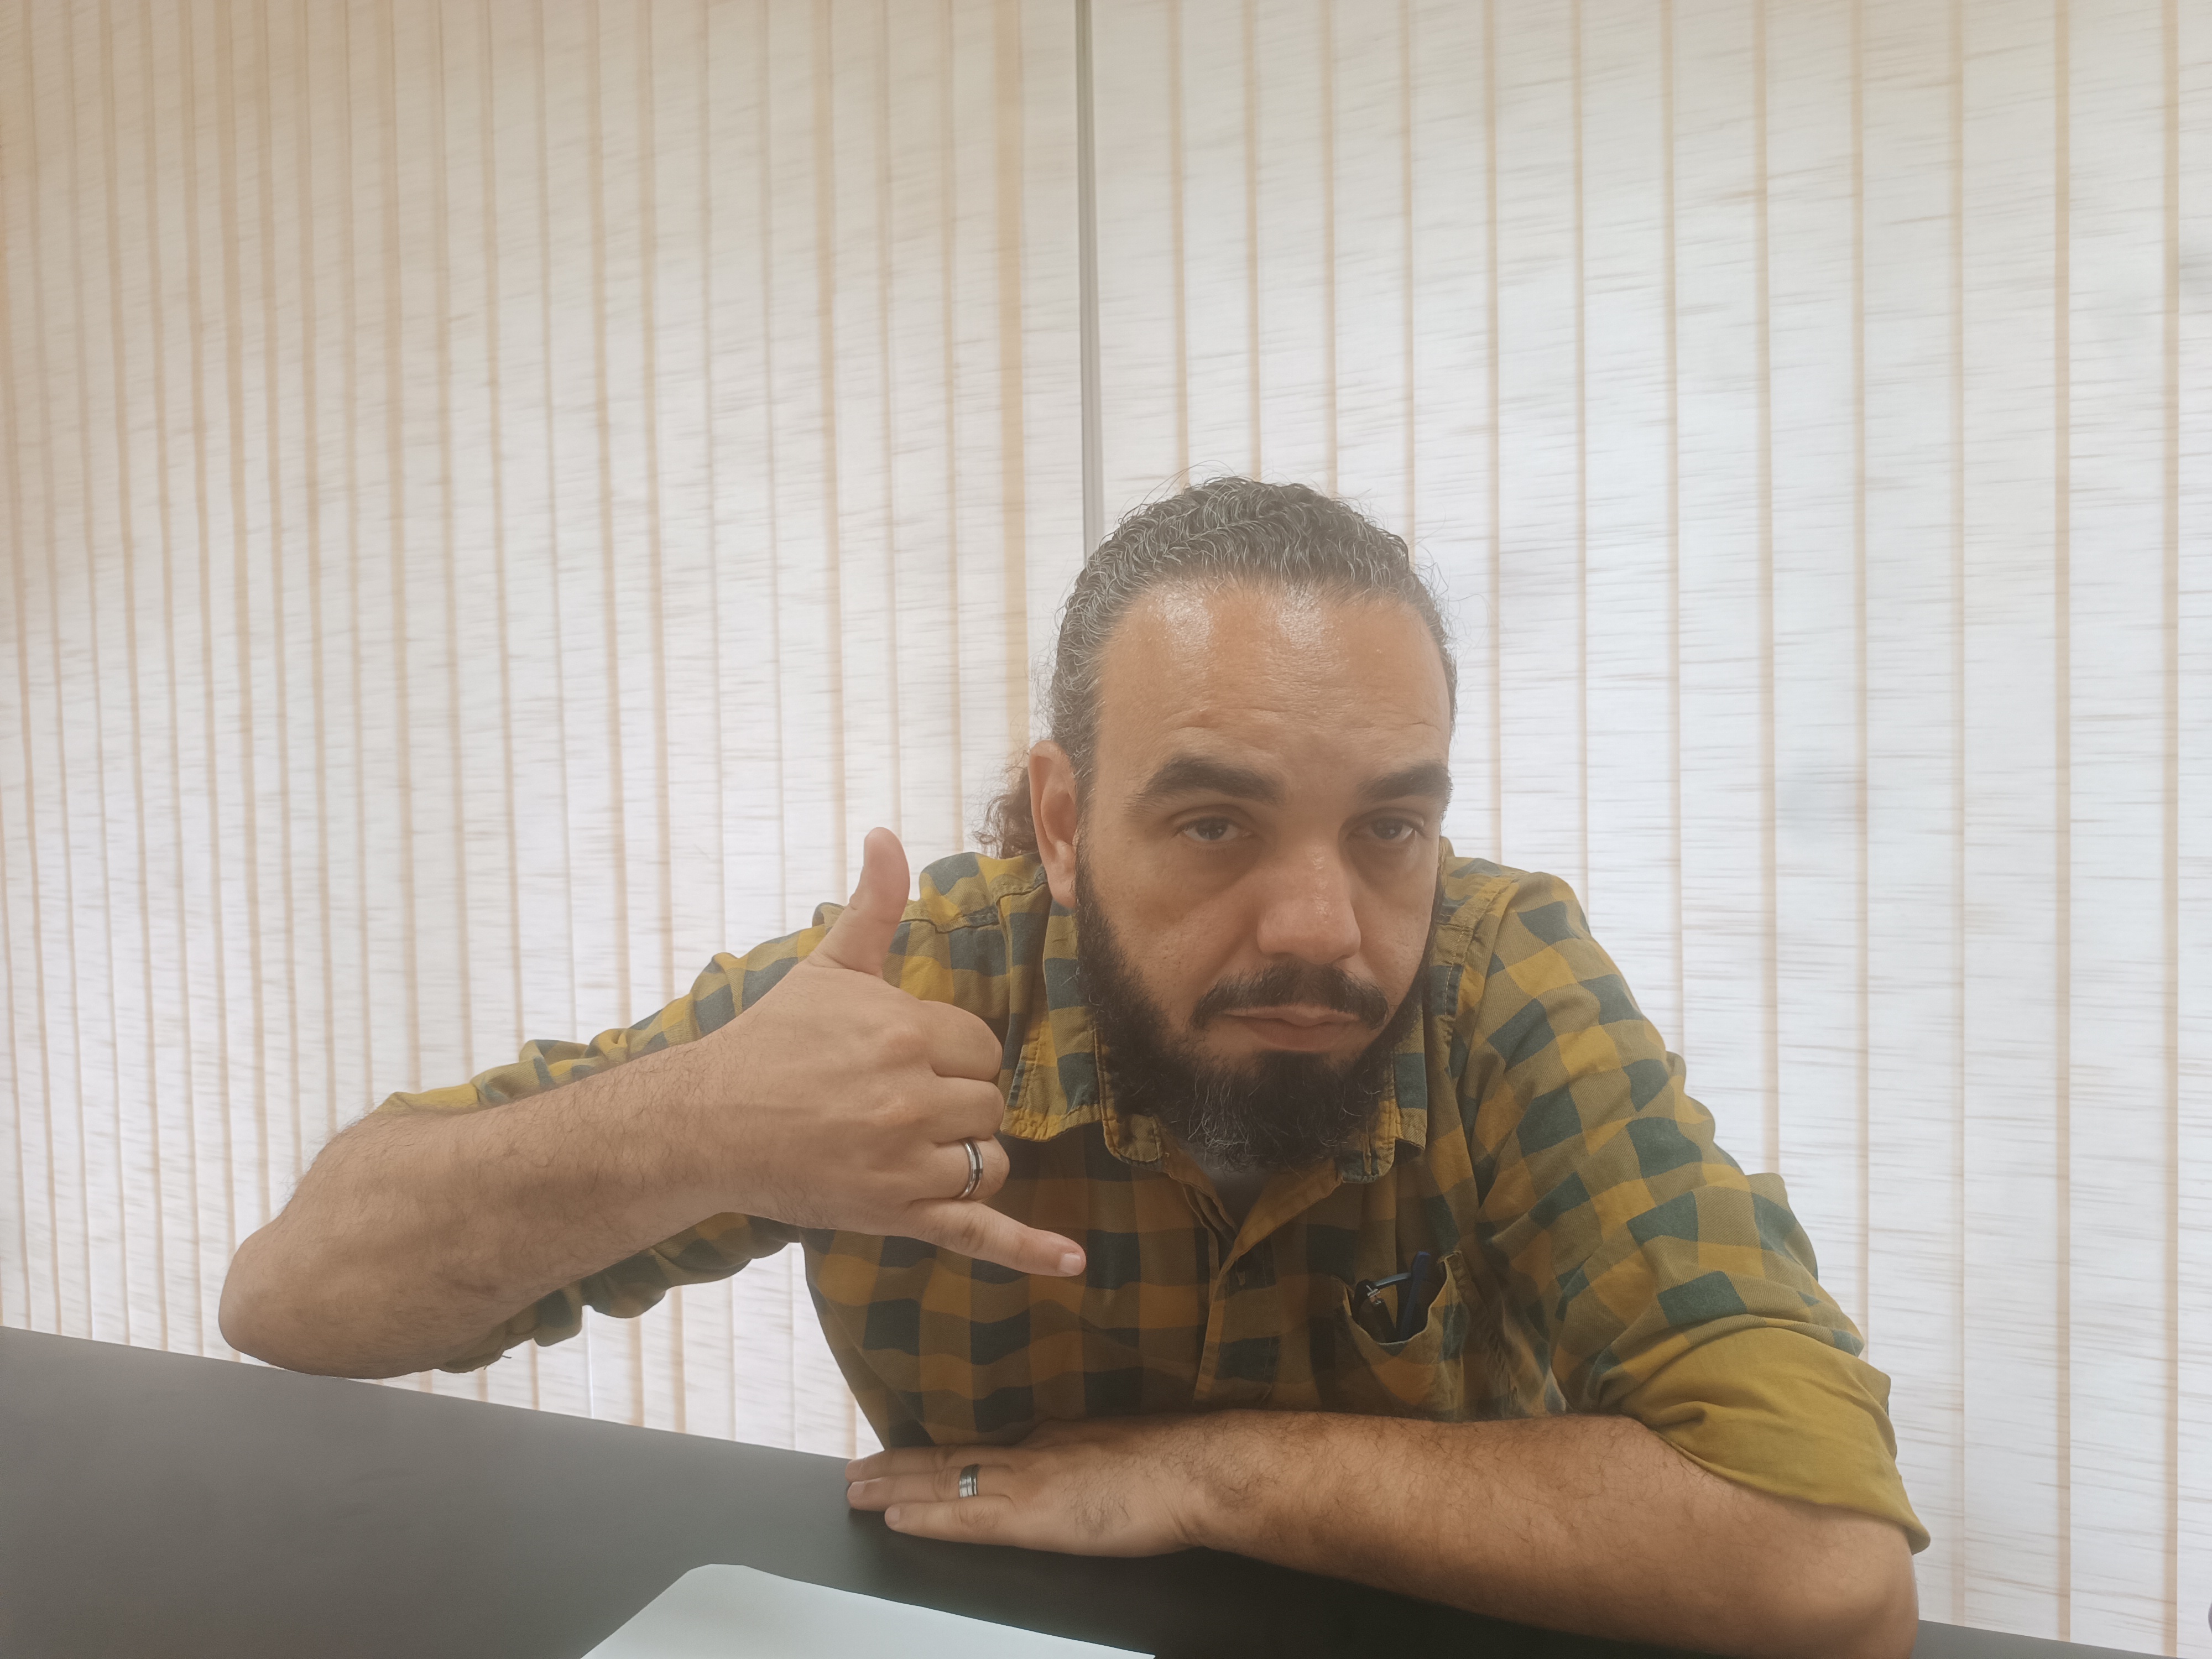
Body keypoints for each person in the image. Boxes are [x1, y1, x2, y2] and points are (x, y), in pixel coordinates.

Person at [221, 477, 1924, 1658]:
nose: (1325, 926)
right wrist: (699, 1125)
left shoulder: (1500, 982)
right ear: (1059, 819)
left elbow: (1823, 1557)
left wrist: (1207, 1473)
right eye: (1214, 822)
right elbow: (296, 1297)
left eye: (1391, 827)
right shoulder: (906, 994)